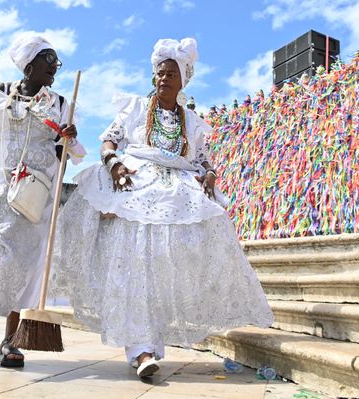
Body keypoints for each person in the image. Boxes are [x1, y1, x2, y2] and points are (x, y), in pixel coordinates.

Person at [52, 37, 274, 378]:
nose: (163, 79)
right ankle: (141, 352)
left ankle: (149, 346)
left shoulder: (192, 121)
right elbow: (109, 140)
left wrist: (210, 175)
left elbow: (201, 160)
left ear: (183, 80)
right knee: (135, 266)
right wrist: (113, 164)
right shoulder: (137, 109)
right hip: (136, 188)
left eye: (171, 74)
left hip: (177, 195)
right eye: (159, 73)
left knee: (159, 271)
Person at [0, 32, 85, 369]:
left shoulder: (59, 104)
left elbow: (63, 152)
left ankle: (10, 341)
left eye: (57, 62)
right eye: (49, 60)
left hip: (35, 195)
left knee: (22, 264)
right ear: (29, 65)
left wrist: (67, 140)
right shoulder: (0, 93)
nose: (55, 67)